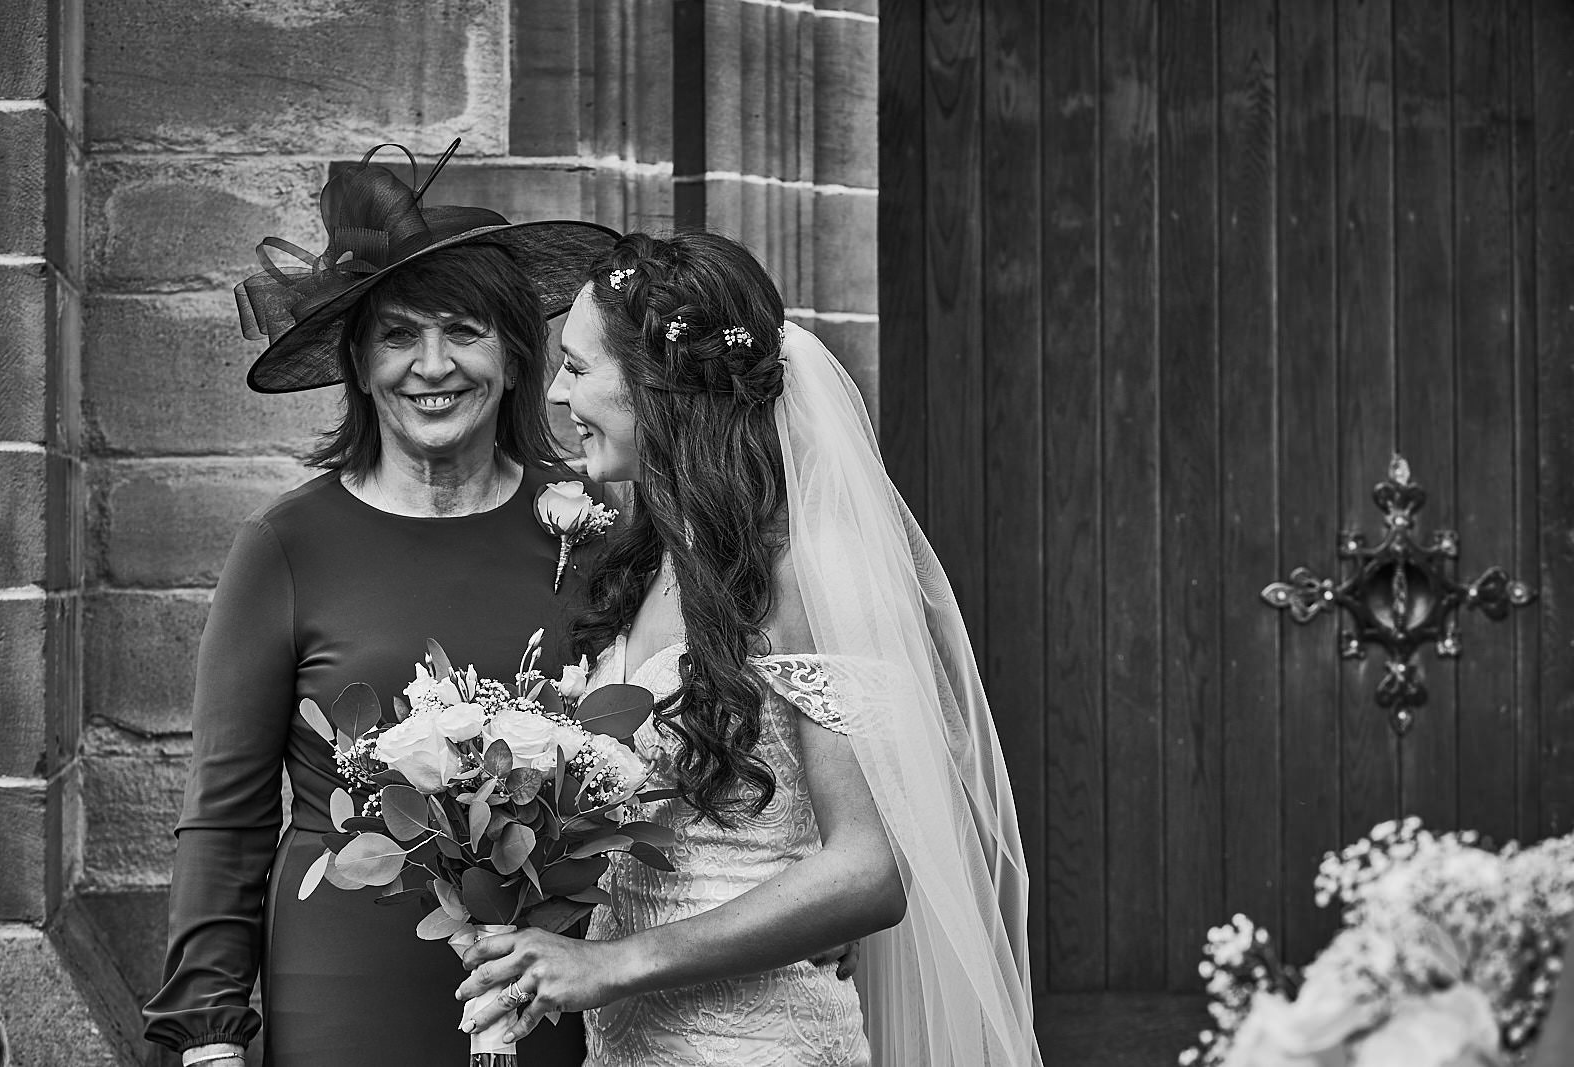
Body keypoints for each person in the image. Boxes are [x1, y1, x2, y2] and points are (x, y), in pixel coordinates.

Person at [455, 232, 1043, 1066]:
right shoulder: (641, 555)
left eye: (579, 369)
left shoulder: (806, 571)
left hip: (759, 1041)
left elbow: (871, 869)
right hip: (630, 1044)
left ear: (661, 388)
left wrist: (611, 963)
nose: (554, 392)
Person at [141, 142, 618, 1067]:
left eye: (464, 331)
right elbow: (227, 816)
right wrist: (206, 1040)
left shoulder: (592, 535)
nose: (432, 365)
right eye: (399, 335)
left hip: (548, 982)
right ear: (357, 365)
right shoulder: (285, 548)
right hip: (341, 980)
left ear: (517, 358)